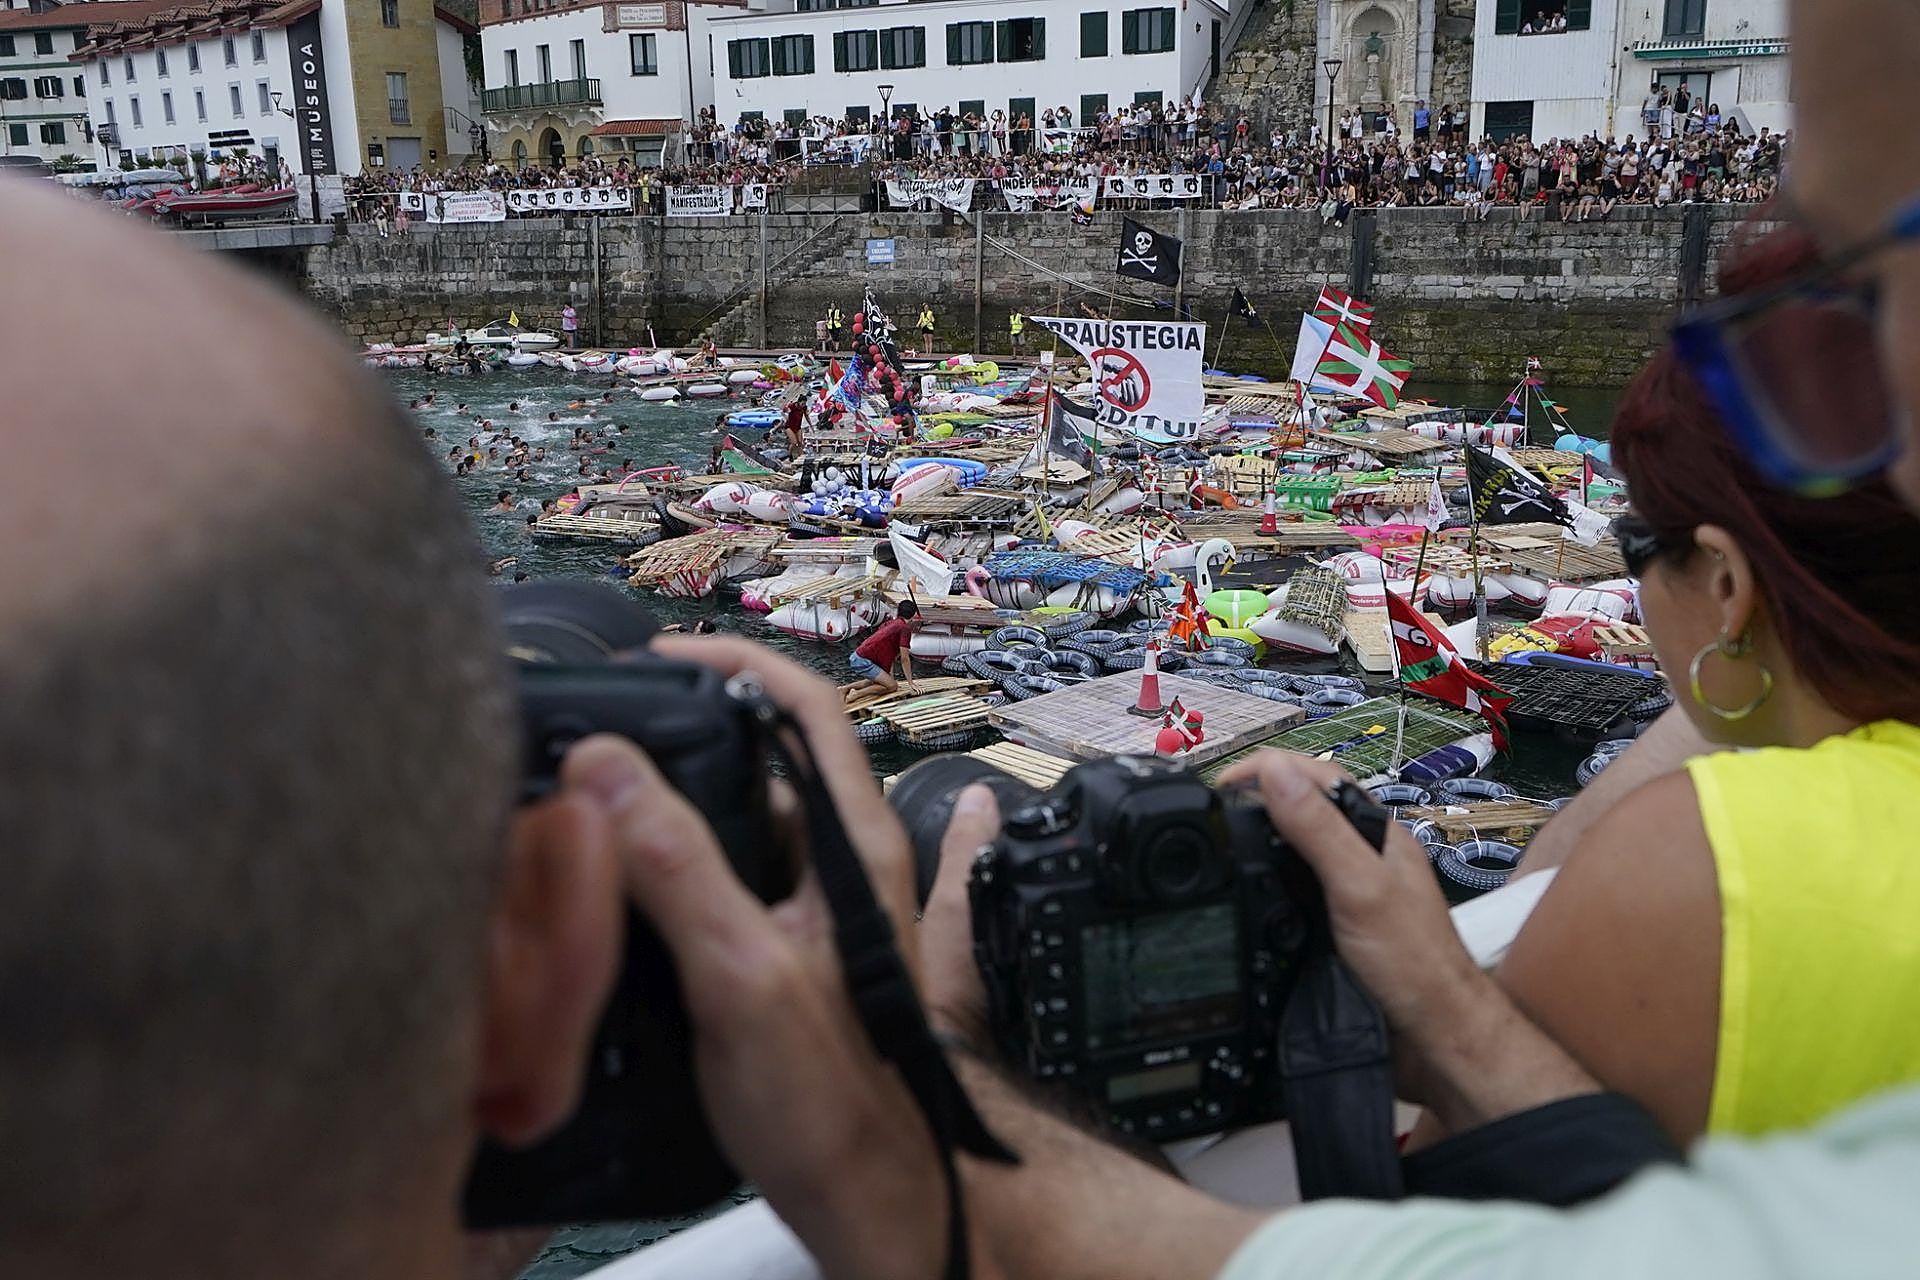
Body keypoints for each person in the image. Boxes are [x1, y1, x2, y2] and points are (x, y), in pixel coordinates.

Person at [842, 599, 921, 703]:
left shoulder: (889, 623)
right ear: (913, 615)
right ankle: (856, 694)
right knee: (892, 686)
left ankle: (844, 689)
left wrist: (890, 677)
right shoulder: (904, 629)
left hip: (857, 656)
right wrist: (911, 683)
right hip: (863, 660)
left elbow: (890, 654)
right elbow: (905, 659)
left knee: (881, 682)